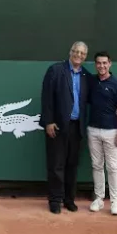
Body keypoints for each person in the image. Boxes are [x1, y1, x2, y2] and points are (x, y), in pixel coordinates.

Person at [39, 41, 91, 214]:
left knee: (72, 165)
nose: (79, 55)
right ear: (70, 52)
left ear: (85, 57)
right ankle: (55, 200)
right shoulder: (55, 70)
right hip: (58, 126)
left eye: (82, 53)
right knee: (56, 164)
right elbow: (47, 98)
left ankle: (69, 199)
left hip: (77, 128)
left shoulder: (86, 75)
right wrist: (48, 121)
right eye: (76, 51)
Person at [87, 51, 117, 216]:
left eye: (104, 63)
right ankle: (99, 199)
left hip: (111, 131)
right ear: (95, 65)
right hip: (93, 130)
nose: (101, 66)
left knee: (112, 167)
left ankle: (115, 202)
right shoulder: (91, 82)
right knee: (97, 166)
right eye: (98, 63)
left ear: (110, 64)